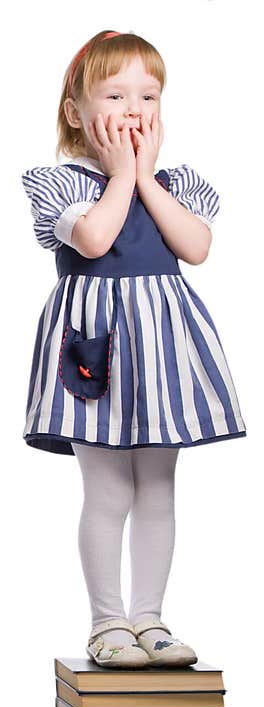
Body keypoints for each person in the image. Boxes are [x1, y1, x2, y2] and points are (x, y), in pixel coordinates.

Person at [21, 31, 245, 668]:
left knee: (158, 486)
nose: (133, 109)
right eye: (114, 94)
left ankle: (151, 617)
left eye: (148, 95)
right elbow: (92, 239)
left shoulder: (175, 183)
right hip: (97, 348)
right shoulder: (62, 185)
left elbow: (195, 246)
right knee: (108, 489)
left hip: (161, 350)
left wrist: (145, 176)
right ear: (76, 113)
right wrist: (121, 176)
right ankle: (107, 621)